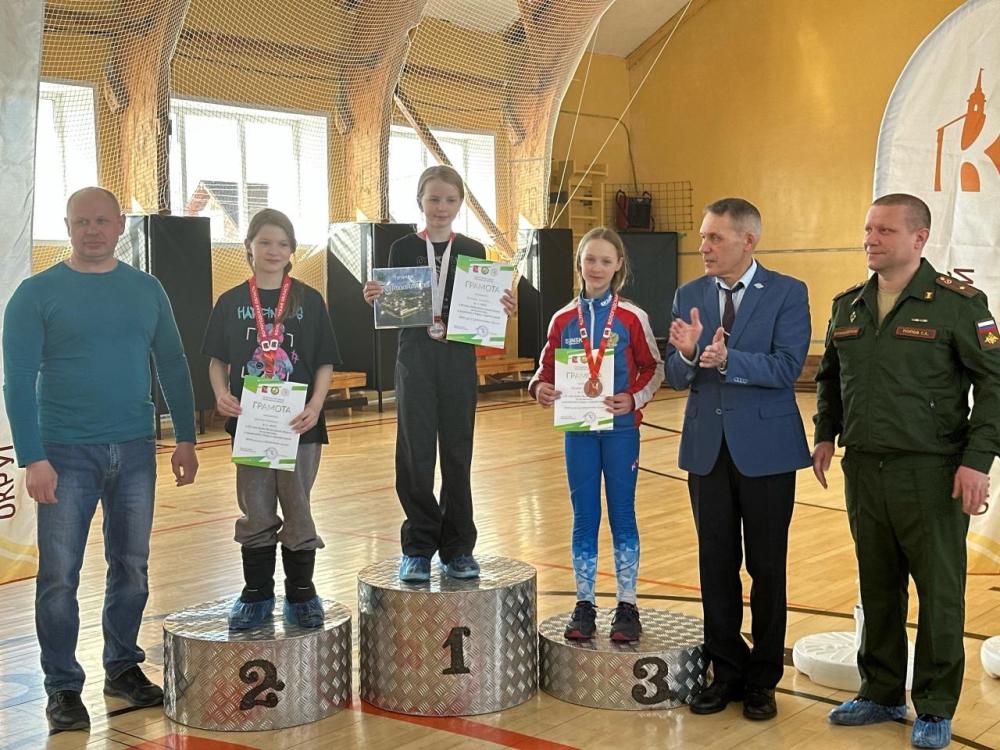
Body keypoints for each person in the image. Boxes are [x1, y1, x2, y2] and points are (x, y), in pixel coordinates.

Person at [2, 186, 199, 732]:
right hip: (63, 455)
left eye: (102, 221)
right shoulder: (35, 294)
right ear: (67, 226)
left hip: (135, 449)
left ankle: (122, 668)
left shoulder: (146, 289)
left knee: (132, 567)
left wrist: (186, 436)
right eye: (82, 221)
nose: (92, 230)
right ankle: (63, 687)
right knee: (59, 576)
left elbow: (172, 362)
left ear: (120, 226)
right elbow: (16, 381)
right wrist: (33, 457)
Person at [813, 193, 1000, 749]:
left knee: (940, 593)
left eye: (885, 231)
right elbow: (830, 377)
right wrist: (825, 432)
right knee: (877, 585)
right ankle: (881, 691)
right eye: (868, 229)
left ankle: (936, 706)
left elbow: (994, 385)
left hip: (933, 472)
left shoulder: (959, 305)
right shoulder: (849, 305)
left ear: (919, 239)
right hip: (864, 469)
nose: (871, 239)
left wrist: (977, 462)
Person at [666, 197, 811, 721]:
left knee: (767, 567)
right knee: (716, 564)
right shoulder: (689, 294)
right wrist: (687, 354)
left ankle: (763, 679)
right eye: (702, 237)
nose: (703, 247)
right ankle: (726, 671)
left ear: (748, 241)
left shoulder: (788, 292)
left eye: (715, 238)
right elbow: (675, 376)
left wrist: (729, 359)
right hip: (707, 452)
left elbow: (789, 366)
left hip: (767, 452)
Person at [362, 165, 515, 582]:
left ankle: (458, 547)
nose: (441, 207)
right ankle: (417, 547)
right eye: (434, 199)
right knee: (414, 453)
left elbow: (481, 306)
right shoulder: (401, 248)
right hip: (415, 356)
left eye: (450, 199)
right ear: (420, 202)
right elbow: (393, 304)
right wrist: (376, 296)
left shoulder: (472, 248)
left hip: (458, 357)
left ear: (460, 203)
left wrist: (500, 306)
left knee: (457, 452)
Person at [202, 208, 340, 630]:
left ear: (292, 250)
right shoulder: (230, 302)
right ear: (249, 246)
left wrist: (316, 405)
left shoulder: (308, 300)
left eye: (282, 243)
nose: (273, 250)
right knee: (256, 508)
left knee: (298, 507)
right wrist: (221, 394)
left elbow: (324, 361)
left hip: (300, 424)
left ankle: (302, 592)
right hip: (251, 425)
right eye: (264, 242)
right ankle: (257, 592)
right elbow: (216, 360)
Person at [529, 227, 663, 642]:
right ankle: (584, 603)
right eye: (590, 259)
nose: (597, 267)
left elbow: (654, 367)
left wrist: (634, 398)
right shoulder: (563, 319)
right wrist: (540, 388)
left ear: (619, 264)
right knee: (584, 516)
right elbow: (544, 370)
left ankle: (627, 604)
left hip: (621, 432)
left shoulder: (632, 317)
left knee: (622, 513)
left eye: (606, 260)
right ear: (579, 263)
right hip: (580, 433)